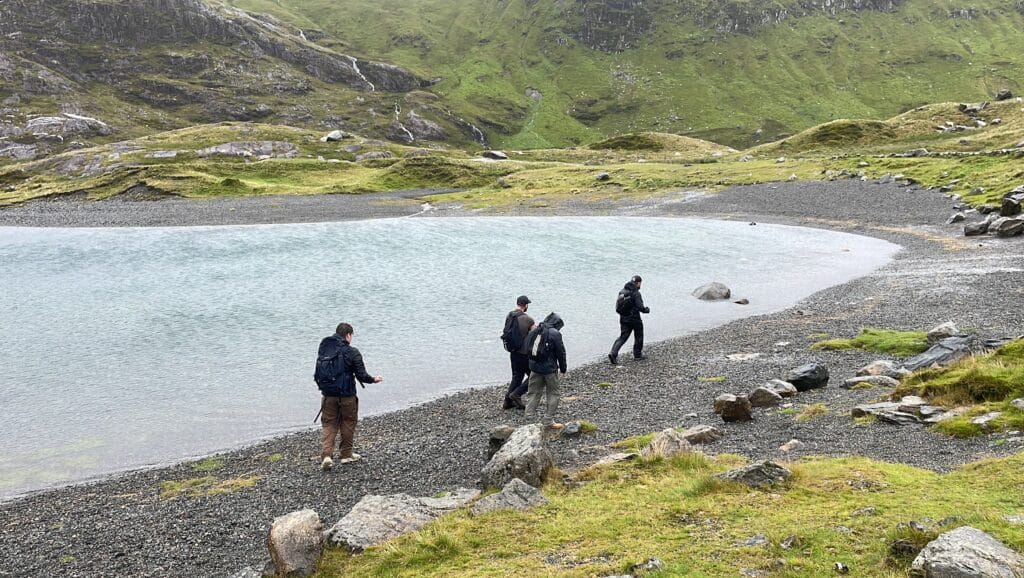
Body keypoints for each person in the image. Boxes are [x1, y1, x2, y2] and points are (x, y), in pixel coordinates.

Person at [315, 322, 382, 471]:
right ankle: (346, 455)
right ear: (348, 335)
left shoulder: (325, 349)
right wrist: (374, 379)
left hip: (327, 395)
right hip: (347, 396)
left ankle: (326, 455)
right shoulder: (353, 352)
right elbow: (361, 375)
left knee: (329, 424)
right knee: (348, 422)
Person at [524, 312, 567, 429]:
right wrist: (563, 368)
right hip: (549, 370)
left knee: (533, 392)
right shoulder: (555, 334)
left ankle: (529, 418)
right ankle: (548, 420)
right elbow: (561, 352)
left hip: (534, 368)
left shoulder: (535, 330)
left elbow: (527, 347)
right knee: (553, 393)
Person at [502, 295, 535, 410]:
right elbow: (534, 335)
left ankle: (507, 402)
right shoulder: (528, 319)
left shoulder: (509, 316)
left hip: (513, 352)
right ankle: (516, 394)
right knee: (534, 376)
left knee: (516, 377)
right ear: (525, 306)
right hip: (524, 354)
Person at [609, 275, 650, 364]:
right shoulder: (635, 293)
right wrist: (646, 310)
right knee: (639, 335)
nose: (640, 285)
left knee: (623, 337)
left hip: (623, 318)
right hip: (635, 319)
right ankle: (637, 355)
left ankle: (613, 353)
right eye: (640, 283)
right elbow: (640, 307)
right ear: (638, 283)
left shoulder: (622, 291)